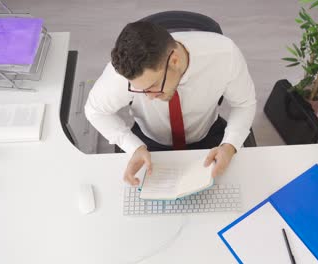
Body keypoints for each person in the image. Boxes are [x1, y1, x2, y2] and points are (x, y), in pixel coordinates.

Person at [85, 21, 256, 186]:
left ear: (174, 60)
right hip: (148, 140)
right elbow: (95, 111)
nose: (149, 97)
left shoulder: (225, 55)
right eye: (140, 90)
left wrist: (230, 145)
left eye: (152, 86)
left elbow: (244, 104)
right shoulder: (121, 76)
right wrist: (133, 147)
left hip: (207, 134)